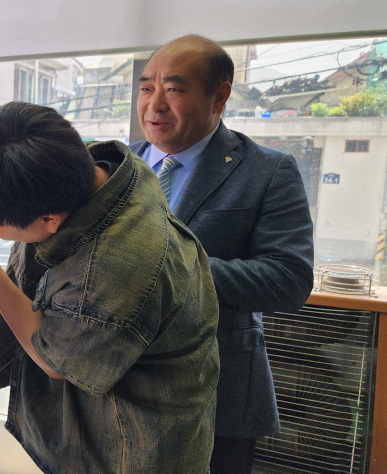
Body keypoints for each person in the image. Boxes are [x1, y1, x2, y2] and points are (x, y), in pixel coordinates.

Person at [0, 101, 219, 473]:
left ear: (49, 219)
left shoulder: (114, 269)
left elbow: (54, 360)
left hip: (131, 450)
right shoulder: (96, 171)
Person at [130, 34, 315, 474]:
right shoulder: (113, 166)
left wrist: (167, 270)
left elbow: (288, 279)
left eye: (173, 89)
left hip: (217, 394)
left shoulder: (267, 170)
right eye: (146, 88)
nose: (155, 105)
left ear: (220, 96)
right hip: (117, 385)